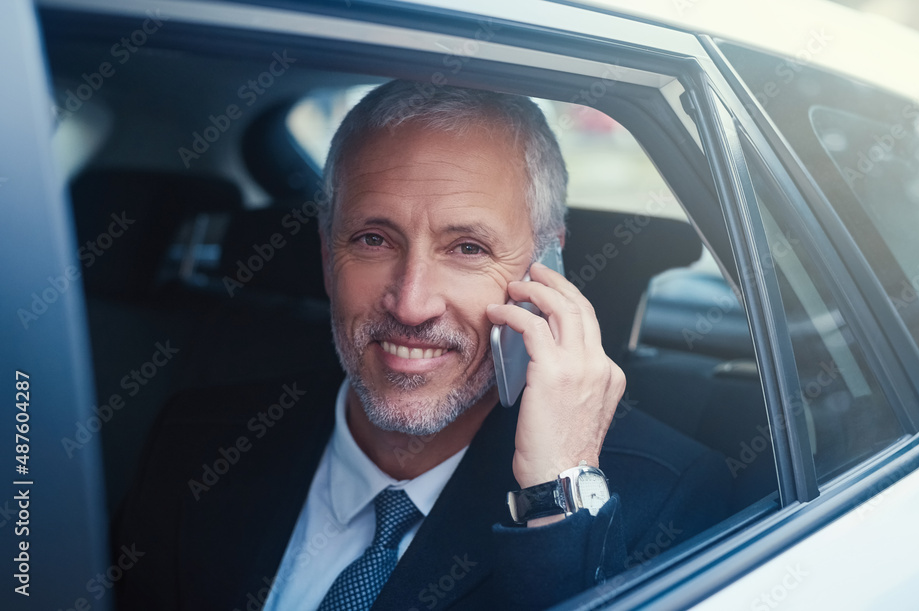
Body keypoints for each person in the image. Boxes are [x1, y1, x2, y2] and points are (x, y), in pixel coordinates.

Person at [114, 80, 732, 610]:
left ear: (548, 266)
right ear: (327, 255)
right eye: (374, 240)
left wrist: (557, 500)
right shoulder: (198, 438)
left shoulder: (665, 499)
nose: (411, 303)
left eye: (468, 249)